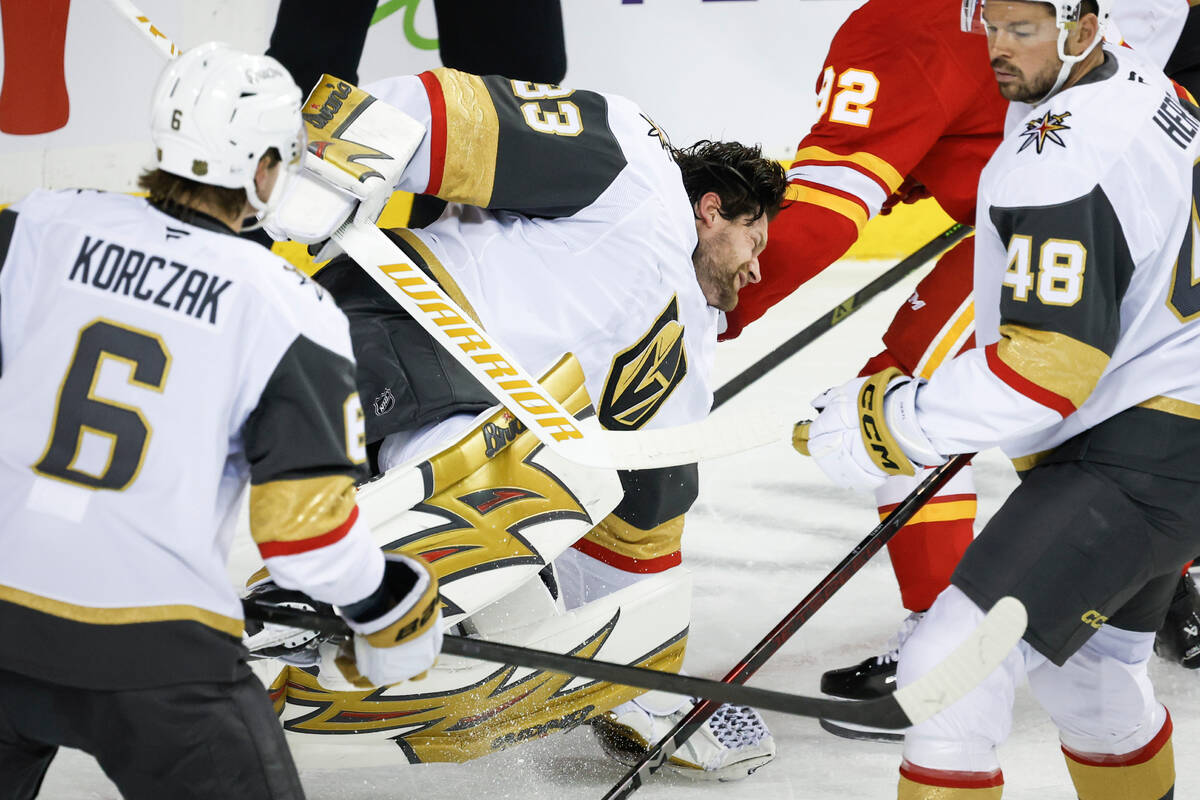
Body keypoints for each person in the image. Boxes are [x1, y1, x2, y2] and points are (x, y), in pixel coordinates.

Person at [250, 68, 787, 779]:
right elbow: (466, 118)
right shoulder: (638, 171)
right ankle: (319, 588)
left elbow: (645, 523)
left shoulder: (686, 354)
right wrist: (339, 151)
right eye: (757, 240)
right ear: (713, 210)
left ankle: (328, 600)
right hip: (386, 330)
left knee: (532, 499)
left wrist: (624, 669)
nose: (757, 269)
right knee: (521, 472)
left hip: (454, 414)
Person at [721, 0, 1200, 729]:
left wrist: (711, 309)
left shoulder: (900, 25)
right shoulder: (1069, 33)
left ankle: (940, 648)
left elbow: (829, 202)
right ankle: (1165, 583)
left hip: (1066, 220)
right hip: (1153, 196)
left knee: (895, 395)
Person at [0, 43, 441, 800]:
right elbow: (305, 537)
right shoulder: (287, 306)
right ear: (266, 168)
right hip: (155, 657)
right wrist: (389, 605)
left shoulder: (37, 227)